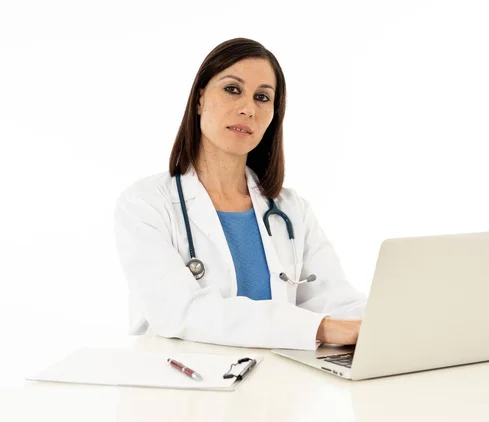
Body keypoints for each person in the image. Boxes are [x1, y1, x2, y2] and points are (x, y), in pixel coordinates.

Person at [113, 38, 366, 350]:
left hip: (279, 389)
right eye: (232, 89)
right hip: (183, 389)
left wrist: (386, 323)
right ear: (199, 98)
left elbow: (335, 299)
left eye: (262, 97)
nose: (248, 108)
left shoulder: (291, 210)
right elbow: (180, 311)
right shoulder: (146, 204)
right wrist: (320, 328)